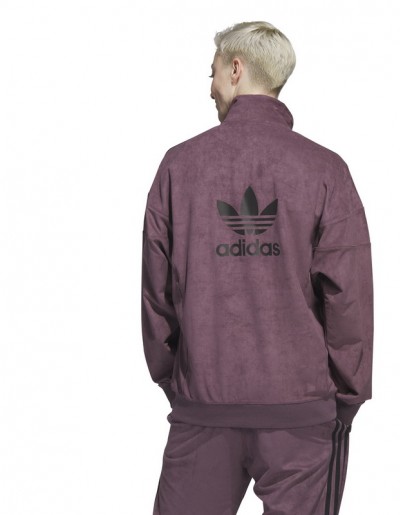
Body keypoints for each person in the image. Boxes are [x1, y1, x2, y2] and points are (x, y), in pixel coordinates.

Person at [141, 20, 374, 515]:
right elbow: (349, 297)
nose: (209, 88)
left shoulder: (179, 166)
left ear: (235, 69)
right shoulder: (325, 169)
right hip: (300, 414)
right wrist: (346, 398)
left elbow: (156, 295)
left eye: (211, 73)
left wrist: (179, 382)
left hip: (204, 406)